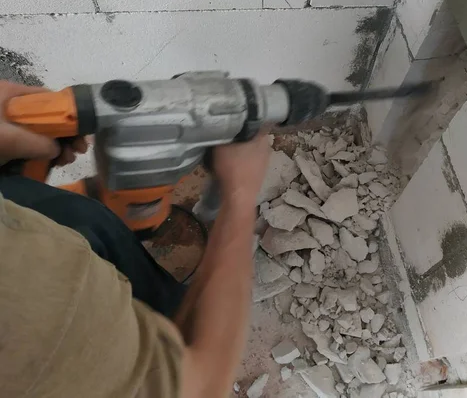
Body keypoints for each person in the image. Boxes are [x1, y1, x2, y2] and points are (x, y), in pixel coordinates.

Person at [0, 80, 270, 397]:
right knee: (182, 335)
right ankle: (162, 319)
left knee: (86, 220)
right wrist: (239, 193)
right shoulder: (29, 305)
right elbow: (203, 388)